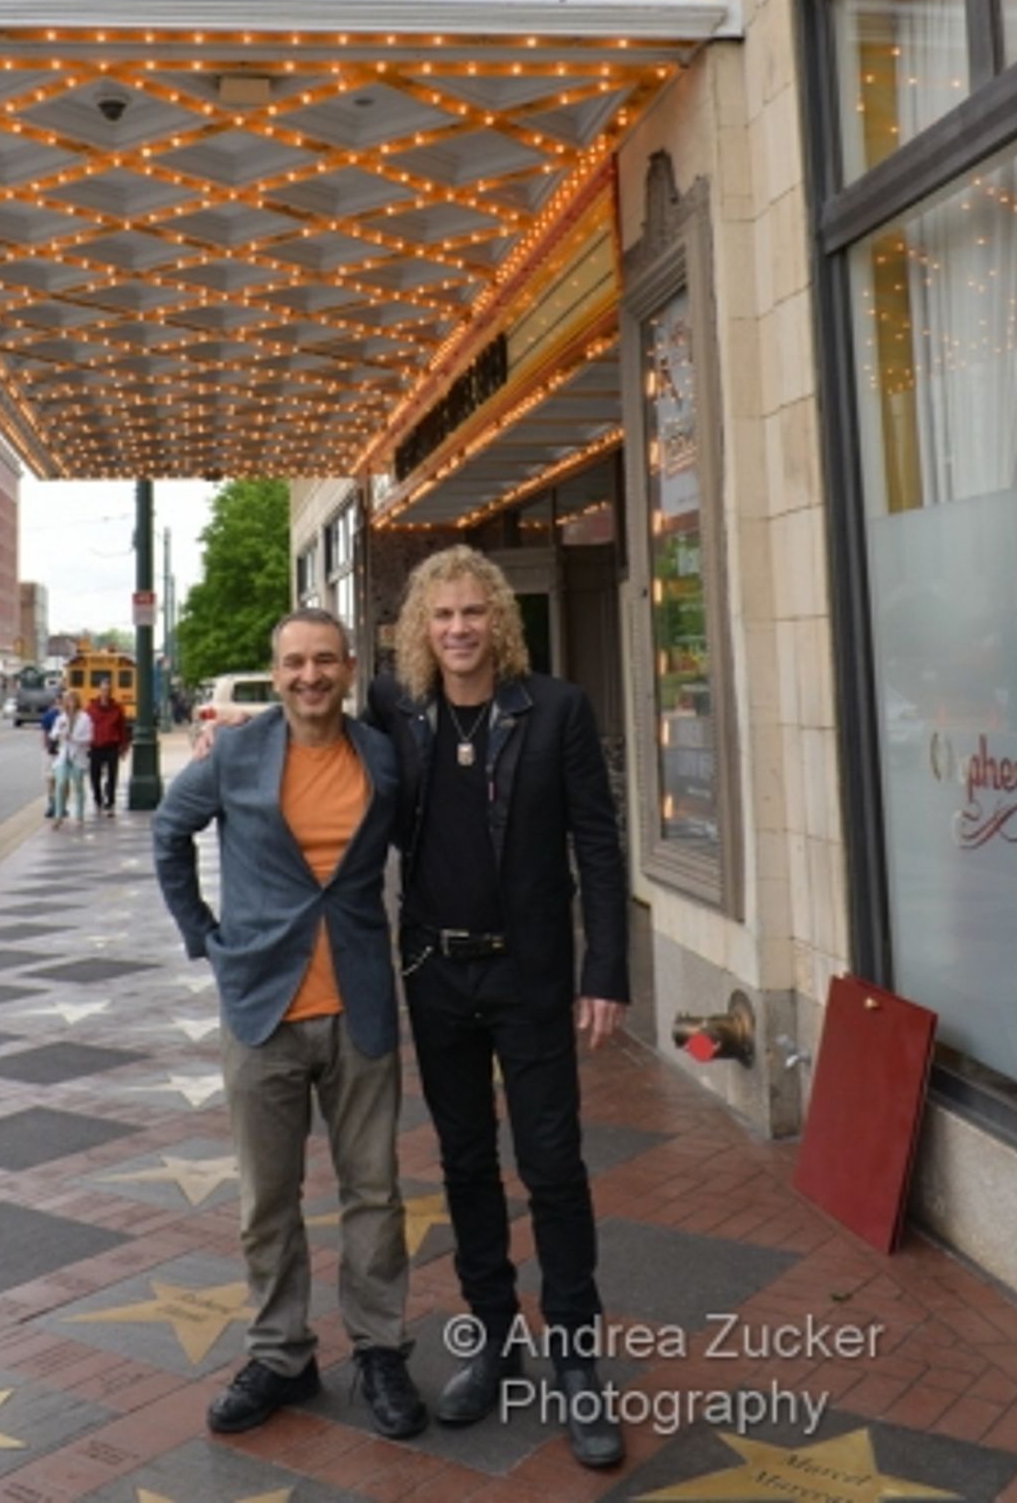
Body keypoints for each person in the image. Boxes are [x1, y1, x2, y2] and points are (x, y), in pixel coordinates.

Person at [367, 544, 629, 1470]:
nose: (459, 629)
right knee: (466, 1163)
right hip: (437, 975)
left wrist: (606, 971)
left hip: (531, 975)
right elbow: (316, 751)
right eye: (442, 616)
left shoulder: (552, 709)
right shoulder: (398, 712)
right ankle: (491, 1332)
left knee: (553, 1165)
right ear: (419, 629)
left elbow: (599, 846)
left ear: (499, 622)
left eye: (474, 612)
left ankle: (575, 1354)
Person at [153, 607, 426, 1443]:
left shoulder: (381, 756)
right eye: (294, 663)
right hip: (262, 1009)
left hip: (360, 1008)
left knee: (374, 1195)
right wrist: (207, 940)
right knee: (267, 1200)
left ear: (347, 669)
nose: (310, 676)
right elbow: (170, 833)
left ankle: (379, 1349)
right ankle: (281, 1354)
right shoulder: (234, 753)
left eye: (325, 661)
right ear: (276, 674)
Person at [49, 689, 93, 823]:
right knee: (61, 783)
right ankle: (58, 814)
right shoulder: (61, 718)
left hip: (78, 756)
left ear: (77, 702)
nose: (70, 703)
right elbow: (53, 734)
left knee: (78, 785)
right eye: (67, 700)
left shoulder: (85, 718)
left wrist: (74, 738)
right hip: (63, 755)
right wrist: (59, 733)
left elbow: (89, 737)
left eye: (72, 700)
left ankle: (79, 815)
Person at [86, 680, 129, 816]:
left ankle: (110, 801)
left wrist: (123, 746)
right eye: (103, 690)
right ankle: (98, 798)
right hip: (95, 746)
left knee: (112, 776)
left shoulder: (117, 709)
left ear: (111, 692)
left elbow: (122, 729)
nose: (105, 693)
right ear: (99, 691)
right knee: (94, 776)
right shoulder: (91, 708)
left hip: (111, 746)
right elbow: (86, 727)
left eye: (108, 690)